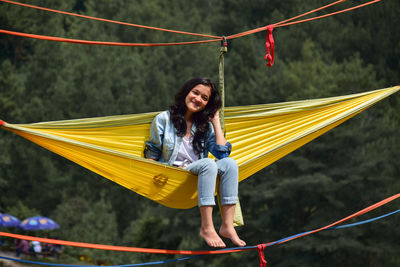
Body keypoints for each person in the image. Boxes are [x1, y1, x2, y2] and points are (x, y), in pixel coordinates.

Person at [144, 77, 245, 248]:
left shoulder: (204, 126)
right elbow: (152, 151)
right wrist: (153, 176)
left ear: (207, 105)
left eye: (204, 98)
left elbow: (222, 153)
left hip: (199, 174)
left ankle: (227, 226)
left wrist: (215, 120)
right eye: (195, 93)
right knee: (208, 163)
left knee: (230, 164)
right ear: (187, 92)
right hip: (173, 174)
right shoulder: (163, 119)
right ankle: (207, 227)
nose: (198, 99)